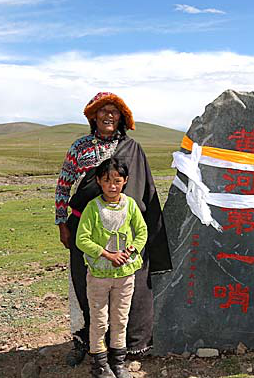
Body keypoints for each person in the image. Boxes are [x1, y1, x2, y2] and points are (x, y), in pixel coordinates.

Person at [55, 92, 172, 366]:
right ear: (93, 116)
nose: (108, 115)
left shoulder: (133, 149)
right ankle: (86, 342)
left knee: (128, 287)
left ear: (122, 118)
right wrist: (62, 223)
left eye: (114, 111)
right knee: (84, 285)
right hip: (86, 229)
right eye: (103, 110)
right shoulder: (79, 147)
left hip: (124, 231)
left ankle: (127, 347)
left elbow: (145, 191)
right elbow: (63, 185)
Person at [76, 158, 147, 378]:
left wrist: (131, 250)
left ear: (125, 181)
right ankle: (99, 365)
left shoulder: (130, 205)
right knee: (99, 320)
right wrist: (107, 254)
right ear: (99, 181)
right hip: (99, 275)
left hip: (125, 274)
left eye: (117, 180)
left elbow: (142, 231)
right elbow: (81, 239)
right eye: (107, 180)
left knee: (120, 319)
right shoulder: (93, 208)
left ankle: (118, 363)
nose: (112, 185)